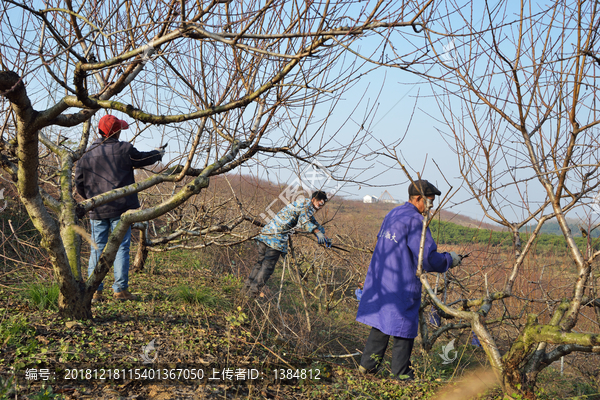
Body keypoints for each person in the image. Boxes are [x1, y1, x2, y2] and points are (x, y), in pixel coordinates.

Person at [355, 179, 461, 380]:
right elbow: (428, 259)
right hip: (400, 283)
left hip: (380, 278)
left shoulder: (393, 213)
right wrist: (449, 259)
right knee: (404, 327)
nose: (430, 207)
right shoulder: (415, 220)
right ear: (419, 198)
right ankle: (401, 374)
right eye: (429, 202)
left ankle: (366, 369)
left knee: (381, 323)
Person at [75, 115, 164, 302]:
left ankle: (94, 291)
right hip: (122, 209)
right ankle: (120, 290)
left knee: (97, 248)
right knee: (122, 247)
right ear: (117, 131)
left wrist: (92, 200)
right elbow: (142, 159)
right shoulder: (125, 149)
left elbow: (79, 184)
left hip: (97, 209)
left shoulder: (86, 154)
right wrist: (158, 153)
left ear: (99, 131)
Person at [244, 190, 330, 298]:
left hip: (266, 234)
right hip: (275, 239)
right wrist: (317, 232)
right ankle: (252, 294)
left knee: (260, 264)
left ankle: (245, 290)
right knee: (267, 267)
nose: (321, 207)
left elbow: (312, 221)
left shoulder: (304, 204)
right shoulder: (306, 205)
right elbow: (304, 222)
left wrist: (323, 234)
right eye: (320, 203)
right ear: (314, 200)